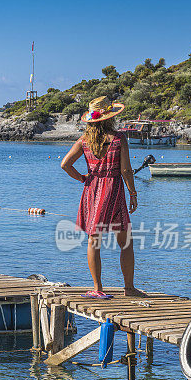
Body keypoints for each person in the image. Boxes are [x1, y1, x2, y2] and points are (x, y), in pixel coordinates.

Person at [60, 96, 144, 299]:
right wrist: (132, 192)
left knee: (93, 241)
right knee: (125, 242)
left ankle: (97, 287)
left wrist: (82, 178)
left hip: (92, 190)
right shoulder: (118, 139)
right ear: (109, 118)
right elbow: (125, 169)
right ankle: (129, 288)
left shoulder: (84, 141)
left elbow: (65, 164)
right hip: (114, 190)